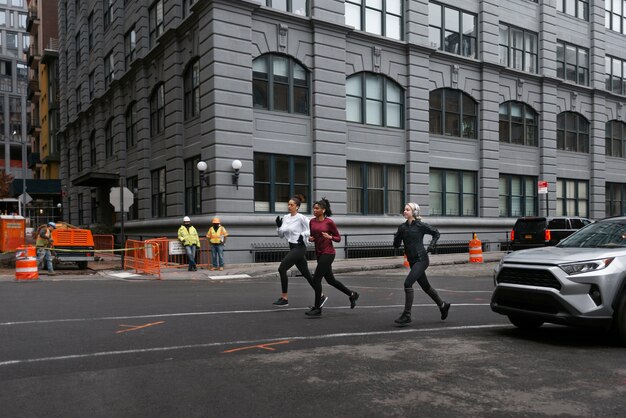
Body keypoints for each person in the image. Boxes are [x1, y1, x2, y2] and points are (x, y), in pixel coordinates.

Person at [392, 202, 450, 326]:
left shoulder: (420, 225)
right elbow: (396, 245)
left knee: (408, 283)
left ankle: (407, 314)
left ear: (414, 212)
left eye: (408, 209)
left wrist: (432, 246)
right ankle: (443, 305)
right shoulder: (402, 227)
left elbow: (436, 233)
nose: (405, 211)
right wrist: (397, 237)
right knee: (426, 287)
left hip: (422, 260)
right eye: (405, 209)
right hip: (412, 261)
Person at [305, 198, 359, 318]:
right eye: (314, 208)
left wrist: (330, 237)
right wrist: (310, 238)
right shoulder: (312, 222)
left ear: (323, 210)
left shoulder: (329, 222)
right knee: (330, 280)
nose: (314, 210)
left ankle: (317, 308)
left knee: (316, 279)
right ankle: (352, 294)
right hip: (319, 253)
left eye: (317, 208)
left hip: (328, 253)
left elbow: (338, 238)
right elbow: (313, 236)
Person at [273, 194, 324, 307]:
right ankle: (320, 295)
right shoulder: (286, 217)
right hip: (292, 247)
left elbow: (312, 229)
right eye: (288, 204)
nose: (289, 206)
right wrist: (278, 227)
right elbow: (281, 235)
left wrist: (303, 234)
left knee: (282, 268)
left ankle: (284, 298)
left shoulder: (302, 218)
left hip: (299, 247)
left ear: (297, 207)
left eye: (291, 205)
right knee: (307, 275)